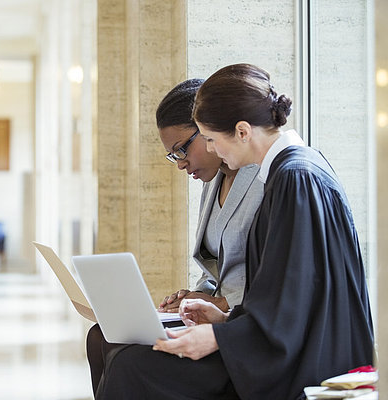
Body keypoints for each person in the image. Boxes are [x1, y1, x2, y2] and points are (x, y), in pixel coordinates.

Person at [96, 64, 374, 400]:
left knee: (133, 367)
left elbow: (293, 304)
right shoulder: (291, 172)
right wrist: (226, 318)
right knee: (126, 358)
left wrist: (219, 337)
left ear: (242, 131)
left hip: (304, 361)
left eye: (211, 139)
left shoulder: (295, 179)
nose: (212, 151)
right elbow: (282, 293)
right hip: (280, 345)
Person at [86, 78, 264, 395]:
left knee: (129, 362)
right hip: (213, 316)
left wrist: (220, 303)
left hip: (240, 331)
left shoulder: (266, 180)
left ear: (209, 128)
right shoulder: (213, 180)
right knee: (101, 335)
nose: (181, 163)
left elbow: (273, 283)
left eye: (182, 149)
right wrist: (194, 297)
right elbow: (219, 266)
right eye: (173, 155)